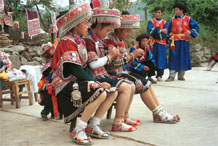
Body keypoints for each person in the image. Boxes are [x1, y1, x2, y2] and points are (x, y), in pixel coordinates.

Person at [50, 2, 115, 145]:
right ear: (75, 25)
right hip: (65, 84)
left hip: (77, 81)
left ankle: (93, 125)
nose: (88, 26)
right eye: (85, 23)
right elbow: (75, 70)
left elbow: (84, 68)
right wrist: (96, 83)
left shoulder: (79, 42)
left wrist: (94, 81)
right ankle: (79, 129)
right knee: (100, 91)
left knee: (111, 91)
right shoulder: (67, 42)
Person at [104, 11, 180, 124]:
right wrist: (132, 56)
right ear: (119, 29)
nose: (129, 34)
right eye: (127, 31)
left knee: (146, 83)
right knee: (141, 83)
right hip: (113, 73)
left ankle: (159, 111)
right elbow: (111, 64)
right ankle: (157, 113)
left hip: (121, 72)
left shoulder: (119, 40)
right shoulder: (111, 40)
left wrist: (132, 57)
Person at [83, 4, 137, 132]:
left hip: (103, 74)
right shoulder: (89, 40)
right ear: (100, 26)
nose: (107, 34)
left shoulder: (98, 40)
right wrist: (110, 56)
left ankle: (122, 118)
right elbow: (93, 64)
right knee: (126, 87)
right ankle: (118, 121)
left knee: (131, 85)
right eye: (107, 30)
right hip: (94, 75)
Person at [166, 2, 199, 81]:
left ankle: (181, 75)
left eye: (177, 10)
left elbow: (196, 26)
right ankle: (172, 75)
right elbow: (168, 30)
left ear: (182, 10)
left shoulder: (188, 19)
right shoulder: (172, 19)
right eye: (175, 10)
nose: (175, 12)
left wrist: (191, 32)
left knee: (183, 57)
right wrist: (167, 38)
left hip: (184, 41)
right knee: (173, 57)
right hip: (174, 42)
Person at [147, 6, 168, 82]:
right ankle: (150, 75)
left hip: (161, 44)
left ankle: (159, 75)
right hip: (152, 44)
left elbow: (165, 34)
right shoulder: (151, 21)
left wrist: (157, 31)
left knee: (161, 59)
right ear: (154, 13)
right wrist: (161, 30)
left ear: (161, 13)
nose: (157, 14)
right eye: (156, 12)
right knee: (151, 58)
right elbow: (150, 31)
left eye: (159, 12)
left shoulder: (164, 22)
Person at [38, 43, 56, 121]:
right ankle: (44, 113)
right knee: (50, 100)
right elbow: (45, 72)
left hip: (55, 83)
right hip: (49, 84)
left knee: (55, 99)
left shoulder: (55, 60)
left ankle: (53, 113)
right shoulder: (49, 63)